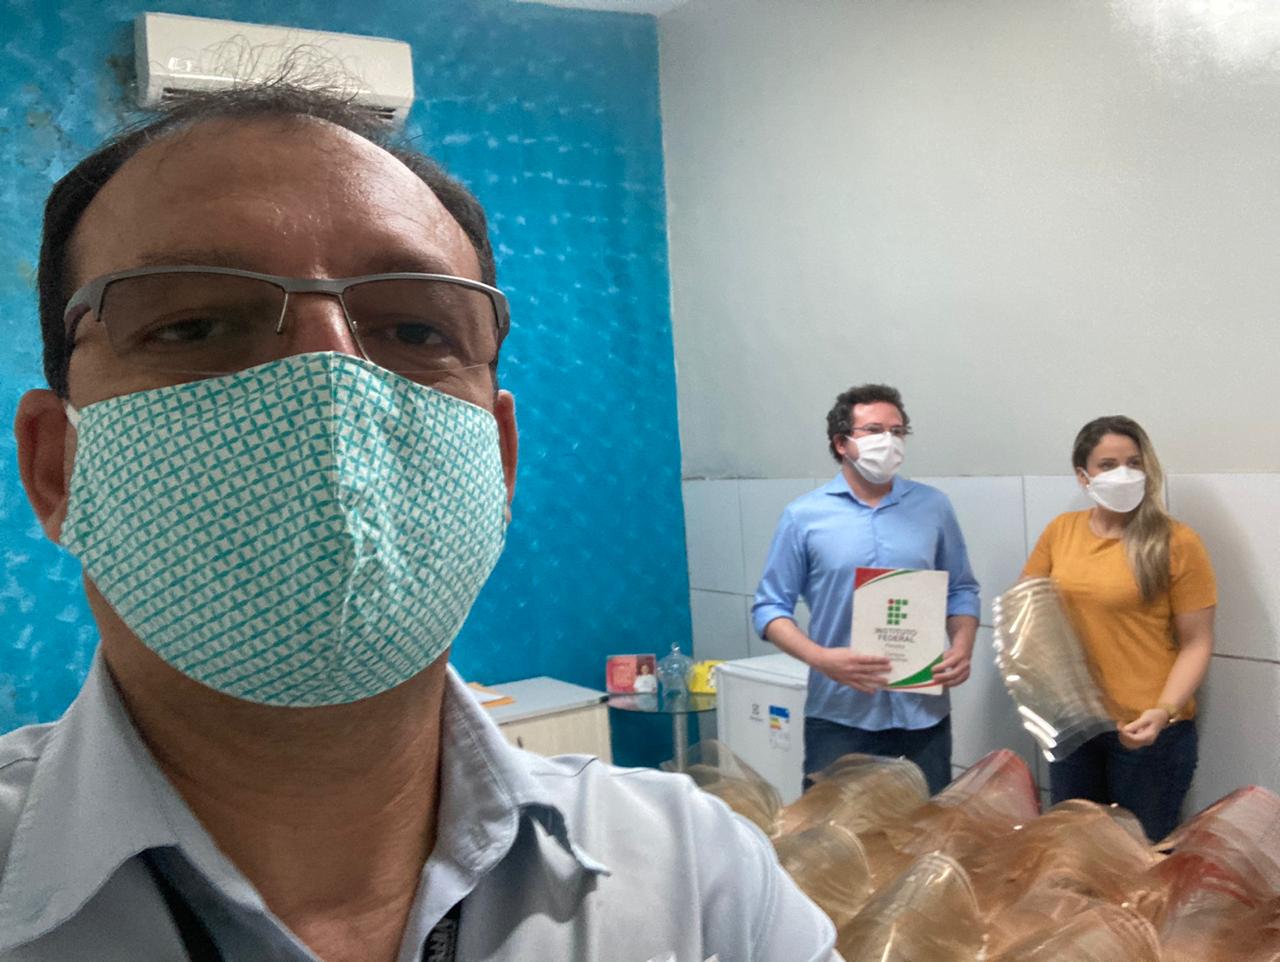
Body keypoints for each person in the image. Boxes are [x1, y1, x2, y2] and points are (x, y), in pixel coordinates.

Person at [0, 86, 836, 962]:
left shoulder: (702, 884)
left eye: (414, 329)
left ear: (499, 462)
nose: (327, 386)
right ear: (56, 467)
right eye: (194, 325)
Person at [752, 384, 981, 796]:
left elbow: (961, 589)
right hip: (840, 715)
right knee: (833, 832)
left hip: (923, 715)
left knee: (922, 830)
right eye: (875, 430)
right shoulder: (804, 517)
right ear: (842, 443)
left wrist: (963, 646)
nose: (889, 441)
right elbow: (769, 609)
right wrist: (821, 659)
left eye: (898, 431)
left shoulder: (933, 507)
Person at [1022, 415, 1216, 841]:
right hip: (1076, 728)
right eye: (1107, 465)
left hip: (1147, 733)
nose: (1123, 474)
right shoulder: (1061, 532)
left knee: (1140, 859)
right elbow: (1027, 611)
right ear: (1083, 476)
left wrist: (1163, 711)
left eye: (1133, 462)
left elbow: (1197, 643)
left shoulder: (1176, 541)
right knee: (1074, 851)